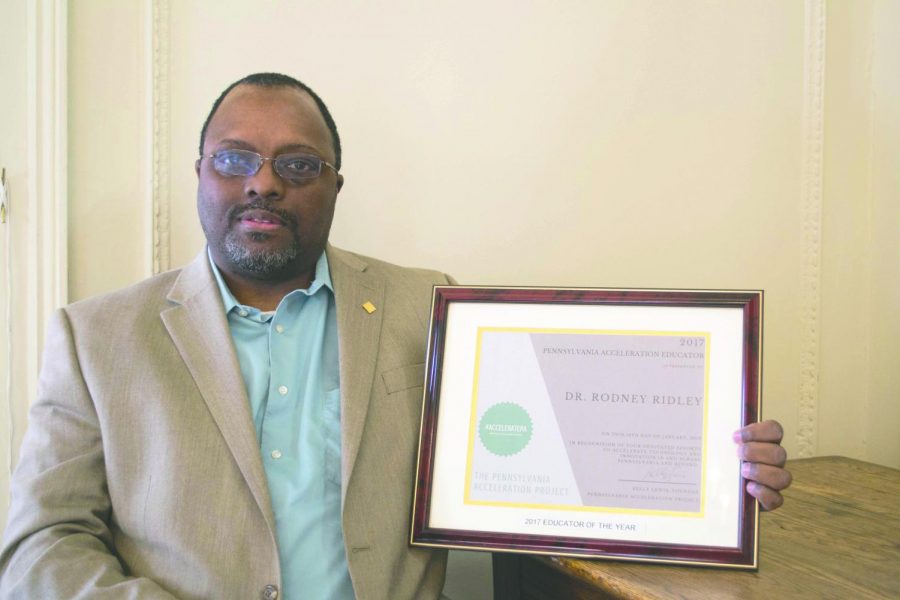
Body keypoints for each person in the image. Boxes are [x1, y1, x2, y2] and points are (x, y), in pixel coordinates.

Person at [0, 73, 792, 599]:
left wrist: (711, 470)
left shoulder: (432, 306)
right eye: (236, 158)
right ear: (200, 172)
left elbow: (562, 458)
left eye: (298, 164)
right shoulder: (95, 336)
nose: (264, 182)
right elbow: (38, 545)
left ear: (335, 186)